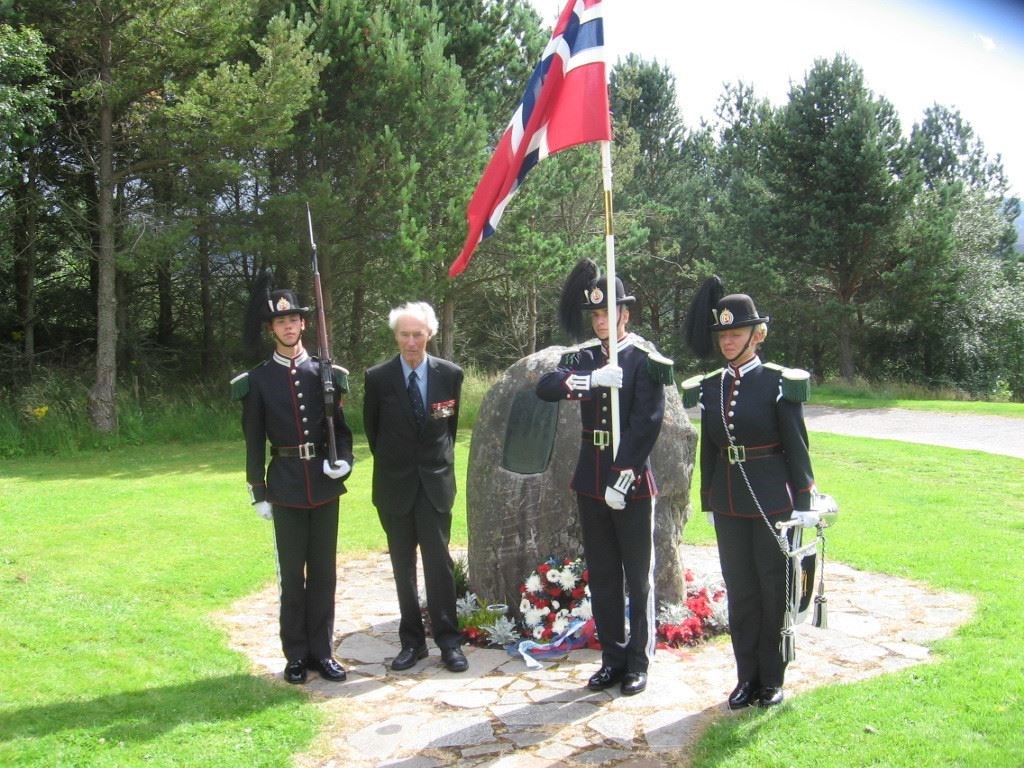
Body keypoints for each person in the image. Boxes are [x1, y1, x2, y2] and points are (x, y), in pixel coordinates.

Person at [535, 259, 672, 697]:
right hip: (589, 481)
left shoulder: (645, 360)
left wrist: (623, 476)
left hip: (629, 482)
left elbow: (647, 423)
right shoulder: (586, 358)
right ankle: (612, 659)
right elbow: (547, 386)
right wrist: (589, 379)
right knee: (605, 575)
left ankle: (638, 661)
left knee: (638, 576)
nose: (599, 320)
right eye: (594, 314)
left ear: (624, 314)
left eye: (607, 312)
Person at [682, 276, 815, 709]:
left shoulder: (779, 383)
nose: (727, 340)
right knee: (740, 592)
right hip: (730, 502)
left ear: (756, 336)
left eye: (736, 333)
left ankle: (771, 679)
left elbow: (796, 445)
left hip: (773, 500)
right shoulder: (709, 386)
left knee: (772, 587)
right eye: (722, 333)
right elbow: (711, 449)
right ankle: (745, 678)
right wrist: (708, 497)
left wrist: (805, 501)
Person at [231, 282, 355, 685]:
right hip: (283, 485)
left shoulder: (326, 372)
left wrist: (344, 464)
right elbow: (253, 440)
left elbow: (342, 430)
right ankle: (296, 654)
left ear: (303, 323)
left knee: (324, 574)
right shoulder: (259, 380)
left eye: (294, 319)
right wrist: (257, 492)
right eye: (281, 321)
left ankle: (323, 651)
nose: (289, 326)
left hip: (322, 484)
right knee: (292, 577)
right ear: (272, 329)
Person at [363, 301, 468, 673]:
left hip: (435, 485)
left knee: (438, 565)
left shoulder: (450, 375)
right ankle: (412, 643)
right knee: (402, 566)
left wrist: (432, 466)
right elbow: (374, 434)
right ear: (396, 336)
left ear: (430, 335)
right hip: (395, 487)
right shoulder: (377, 378)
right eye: (405, 335)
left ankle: (449, 643)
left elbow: (448, 433)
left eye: (418, 334)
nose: (411, 342)